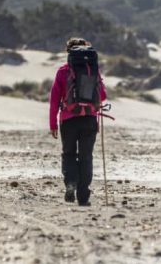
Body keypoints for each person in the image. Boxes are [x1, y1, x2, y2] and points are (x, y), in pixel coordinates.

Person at [49, 37, 108, 206]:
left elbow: (54, 99)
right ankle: (83, 196)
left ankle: (70, 183)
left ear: (69, 52)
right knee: (86, 157)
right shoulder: (93, 70)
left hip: (68, 120)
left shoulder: (63, 71)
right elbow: (102, 96)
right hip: (89, 119)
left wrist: (52, 123)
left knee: (68, 154)